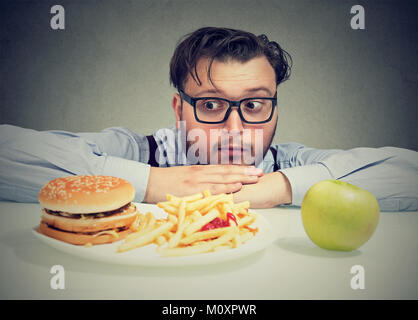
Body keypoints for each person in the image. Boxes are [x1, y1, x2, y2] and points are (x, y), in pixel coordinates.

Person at [0, 27, 417, 210]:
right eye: (212, 105)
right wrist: (153, 183)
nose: (236, 131)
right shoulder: (138, 152)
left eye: (254, 105)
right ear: (179, 109)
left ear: (274, 109)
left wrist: (278, 189)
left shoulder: (290, 165)